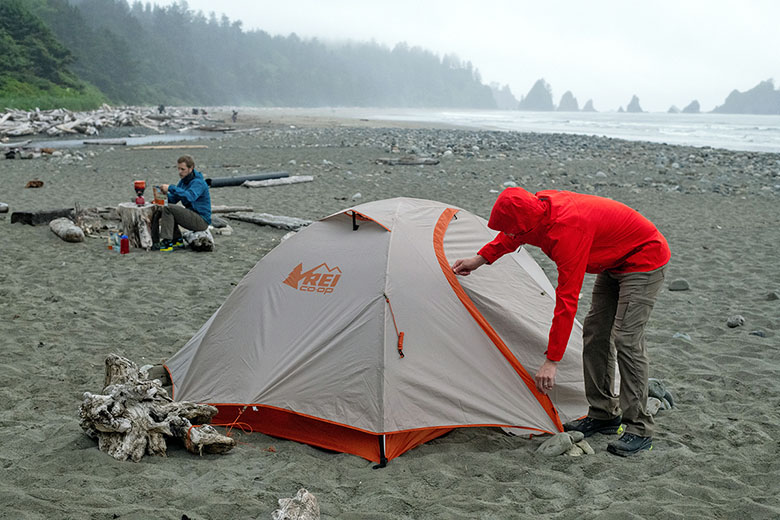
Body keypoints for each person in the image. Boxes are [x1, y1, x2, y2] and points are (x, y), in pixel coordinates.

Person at [451, 187, 670, 456]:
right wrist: (480, 259)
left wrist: (552, 361)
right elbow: (512, 235)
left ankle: (639, 428)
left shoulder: (568, 231)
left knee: (626, 338)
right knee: (594, 332)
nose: (511, 232)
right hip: (613, 261)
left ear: (528, 221)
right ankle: (603, 414)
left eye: (514, 228)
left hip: (644, 259)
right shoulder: (537, 207)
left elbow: (567, 302)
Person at [151, 155, 211, 252]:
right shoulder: (183, 182)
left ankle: (167, 242)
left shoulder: (198, 182)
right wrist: (161, 196)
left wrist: (171, 188)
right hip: (192, 216)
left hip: (201, 221)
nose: (180, 172)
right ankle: (176, 240)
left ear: (191, 168)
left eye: (182, 169)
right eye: (178, 169)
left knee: (168, 208)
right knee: (163, 208)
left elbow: (190, 196)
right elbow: (174, 199)